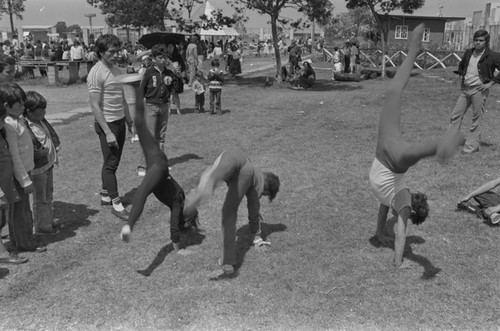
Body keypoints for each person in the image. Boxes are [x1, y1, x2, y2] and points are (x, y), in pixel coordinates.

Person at [368, 24, 465, 268]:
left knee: (393, 92)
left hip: (385, 154)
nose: (401, 220)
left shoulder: (391, 198)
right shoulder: (402, 203)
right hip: (389, 158)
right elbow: (401, 235)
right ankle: (440, 146)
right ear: (411, 212)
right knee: (412, 153)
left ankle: (413, 50)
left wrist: (380, 234)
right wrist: (398, 263)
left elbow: (383, 209)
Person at [120, 78, 199, 254]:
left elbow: (174, 228)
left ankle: (135, 87)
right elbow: (176, 226)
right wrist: (179, 249)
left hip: (155, 163)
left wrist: (178, 249)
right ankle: (129, 227)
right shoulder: (178, 201)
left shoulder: (178, 205)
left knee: (139, 123)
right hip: (159, 166)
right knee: (140, 195)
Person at [183, 149, 280, 275]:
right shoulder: (256, 185)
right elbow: (253, 212)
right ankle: (227, 262)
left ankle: (199, 192)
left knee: (213, 177)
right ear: (267, 189)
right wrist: (257, 238)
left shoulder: (255, 172)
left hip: (229, 155)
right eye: (266, 194)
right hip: (242, 169)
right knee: (229, 212)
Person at [87, 34, 134, 220]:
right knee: (111, 165)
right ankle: (116, 204)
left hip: (120, 121)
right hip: (107, 124)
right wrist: (107, 132)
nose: (115, 55)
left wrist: (129, 122)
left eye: (117, 51)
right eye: (111, 52)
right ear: (100, 52)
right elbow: (95, 106)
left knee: (111, 161)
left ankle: (106, 195)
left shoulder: (118, 71)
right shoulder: (96, 73)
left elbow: (122, 99)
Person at [2, 82, 46, 252]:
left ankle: (18, 240)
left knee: (18, 210)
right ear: (7, 106)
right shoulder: (10, 125)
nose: (23, 106)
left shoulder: (18, 119)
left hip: (24, 171)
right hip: (18, 175)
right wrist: (25, 180)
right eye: (19, 104)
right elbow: (14, 155)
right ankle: (26, 243)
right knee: (21, 211)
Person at [447, 29, 500, 154]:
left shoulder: (493, 55)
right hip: (465, 90)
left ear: (486, 42)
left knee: (476, 119)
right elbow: (462, 66)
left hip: (479, 91)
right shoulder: (468, 52)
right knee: (455, 116)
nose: (478, 43)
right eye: (476, 40)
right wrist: (461, 76)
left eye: (481, 41)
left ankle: (471, 147)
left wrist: (490, 83)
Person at [24, 91, 61, 235]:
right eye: (41, 110)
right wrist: (42, 153)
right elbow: (29, 151)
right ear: (29, 111)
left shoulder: (41, 121)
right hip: (38, 169)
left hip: (48, 165)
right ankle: (43, 227)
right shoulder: (27, 127)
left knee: (48, 195)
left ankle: (47, 220)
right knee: (41, 199)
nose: (44, 112)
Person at [137, 44, 173, 177]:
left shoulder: (168, 72)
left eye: (164, 57)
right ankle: (143, 165)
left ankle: (160, 163)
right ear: (154, 58)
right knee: (149, 136)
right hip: (151, 106)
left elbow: (175, 87)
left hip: (164, 105)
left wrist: (177, 74)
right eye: (160, 57)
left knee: (161, 137)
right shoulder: (149, 72)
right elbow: (141, 91)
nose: (163, 60)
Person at [0, 87, 28, 264]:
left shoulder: (1, 132)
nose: (4, 123)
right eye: (1, 119)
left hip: (5, 183)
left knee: (2, 218)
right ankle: (2, 254)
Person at [166, 43, 185, 115]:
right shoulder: (165, 56)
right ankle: (168, 110)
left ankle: (178, 109)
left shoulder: (178, 56)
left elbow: (183, 65)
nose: (170, 48)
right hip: (167, 76)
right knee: (168, 94)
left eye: (172, 46)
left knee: (175, 94)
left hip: (176, 76)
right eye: (169, 47)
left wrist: (180, 69)